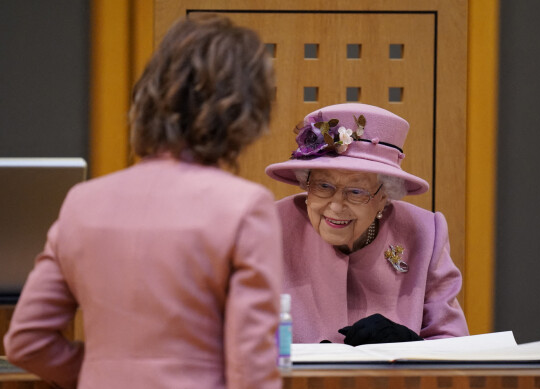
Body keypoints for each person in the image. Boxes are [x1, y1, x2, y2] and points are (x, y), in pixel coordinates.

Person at [4, 15, 282, 389]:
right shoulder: (246, 207)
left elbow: (26, 342)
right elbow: (252, 370)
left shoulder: (81, 203)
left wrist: (101, 372)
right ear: (246, 111)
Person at [265, 103, 469, 345]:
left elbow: (455, 346)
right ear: (306, 183)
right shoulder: (269, 228)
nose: (336, 206)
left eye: (356, 191)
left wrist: (411, 345)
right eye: (323, 186)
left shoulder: (425, 233)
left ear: (385, 196)